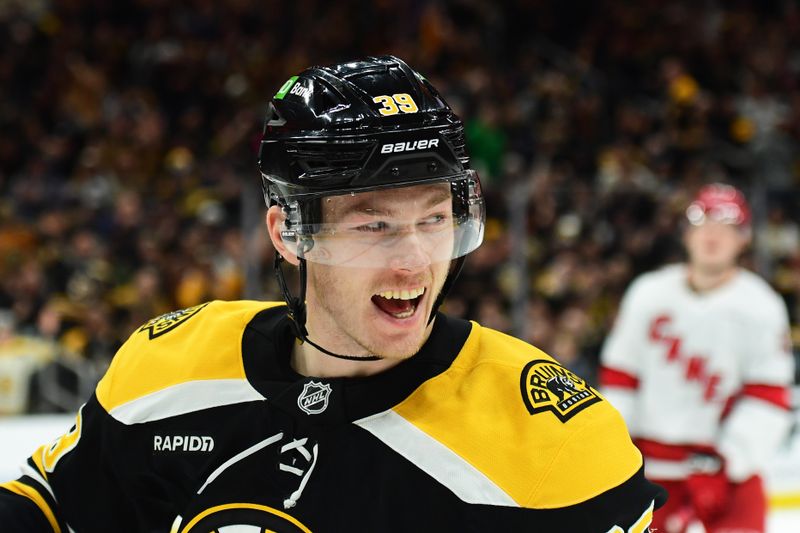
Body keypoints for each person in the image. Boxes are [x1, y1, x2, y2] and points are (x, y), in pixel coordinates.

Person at [0, 55, 665, 532]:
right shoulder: (167, 369)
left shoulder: (552, 438)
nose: (414, 261)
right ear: (289, 234)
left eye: (435, 220)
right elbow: (49, 508)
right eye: (374, 226)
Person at [599, 183, 795, 533]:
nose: (712, 235)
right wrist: (619, 454)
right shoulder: (647, 294)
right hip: (648, 473)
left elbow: (768, 398)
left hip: (730, 479)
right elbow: (619, 379)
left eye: (726, 227)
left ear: (743, 239)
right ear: (686, 233)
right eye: (703, 224)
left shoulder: (762, 306)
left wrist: (727, 462)